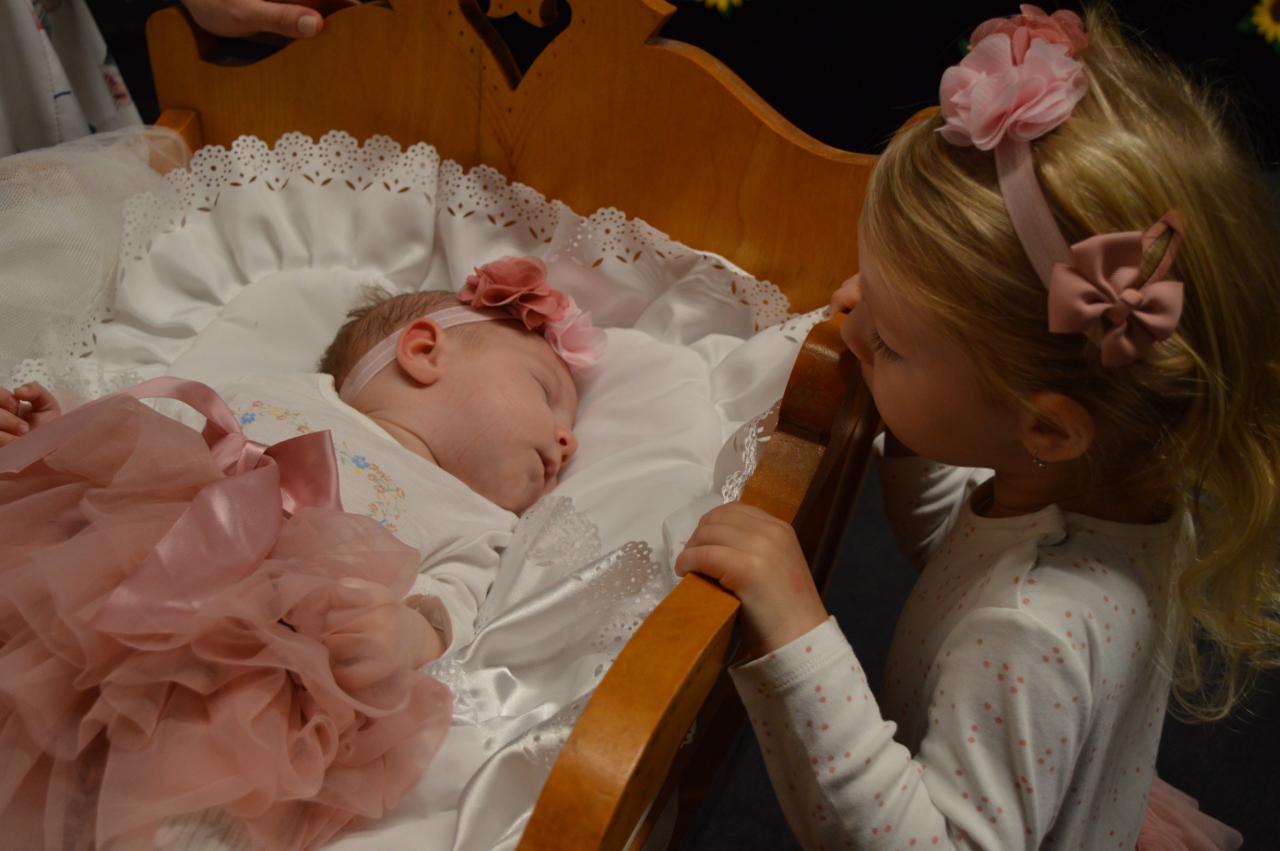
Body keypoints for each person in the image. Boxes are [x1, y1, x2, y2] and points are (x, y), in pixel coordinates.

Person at [677, 5, 1277, 849]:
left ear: (1048, 428)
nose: (851, 328)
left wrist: (799, 637)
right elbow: (964, 554)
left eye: (887, 339)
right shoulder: (1123, 478)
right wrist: (904, 403)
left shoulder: (1031, 635)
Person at [1, 254, 602, 664]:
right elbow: (156, 440)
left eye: (569, 427)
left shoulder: (480, 523)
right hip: (117, 567)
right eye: (545, 393)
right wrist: (66, 441)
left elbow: (451, 609)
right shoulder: (278, 394)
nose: (567, 439)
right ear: (423, 352)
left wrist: (405, 634)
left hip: (258, 655)